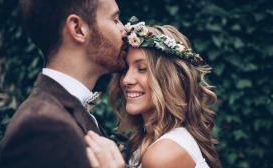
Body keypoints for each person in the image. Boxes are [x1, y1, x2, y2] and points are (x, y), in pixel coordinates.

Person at [0, 0, 127, 168]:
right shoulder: (43, 127)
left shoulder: (62, 112)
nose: (124, 30)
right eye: (115, 20)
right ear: (78, 29)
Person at [85, 19, 221, 168]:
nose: (126, 80)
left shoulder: (164, 154)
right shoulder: (151, 141)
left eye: (142, 68)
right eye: (125, 70)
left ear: (169, 79)